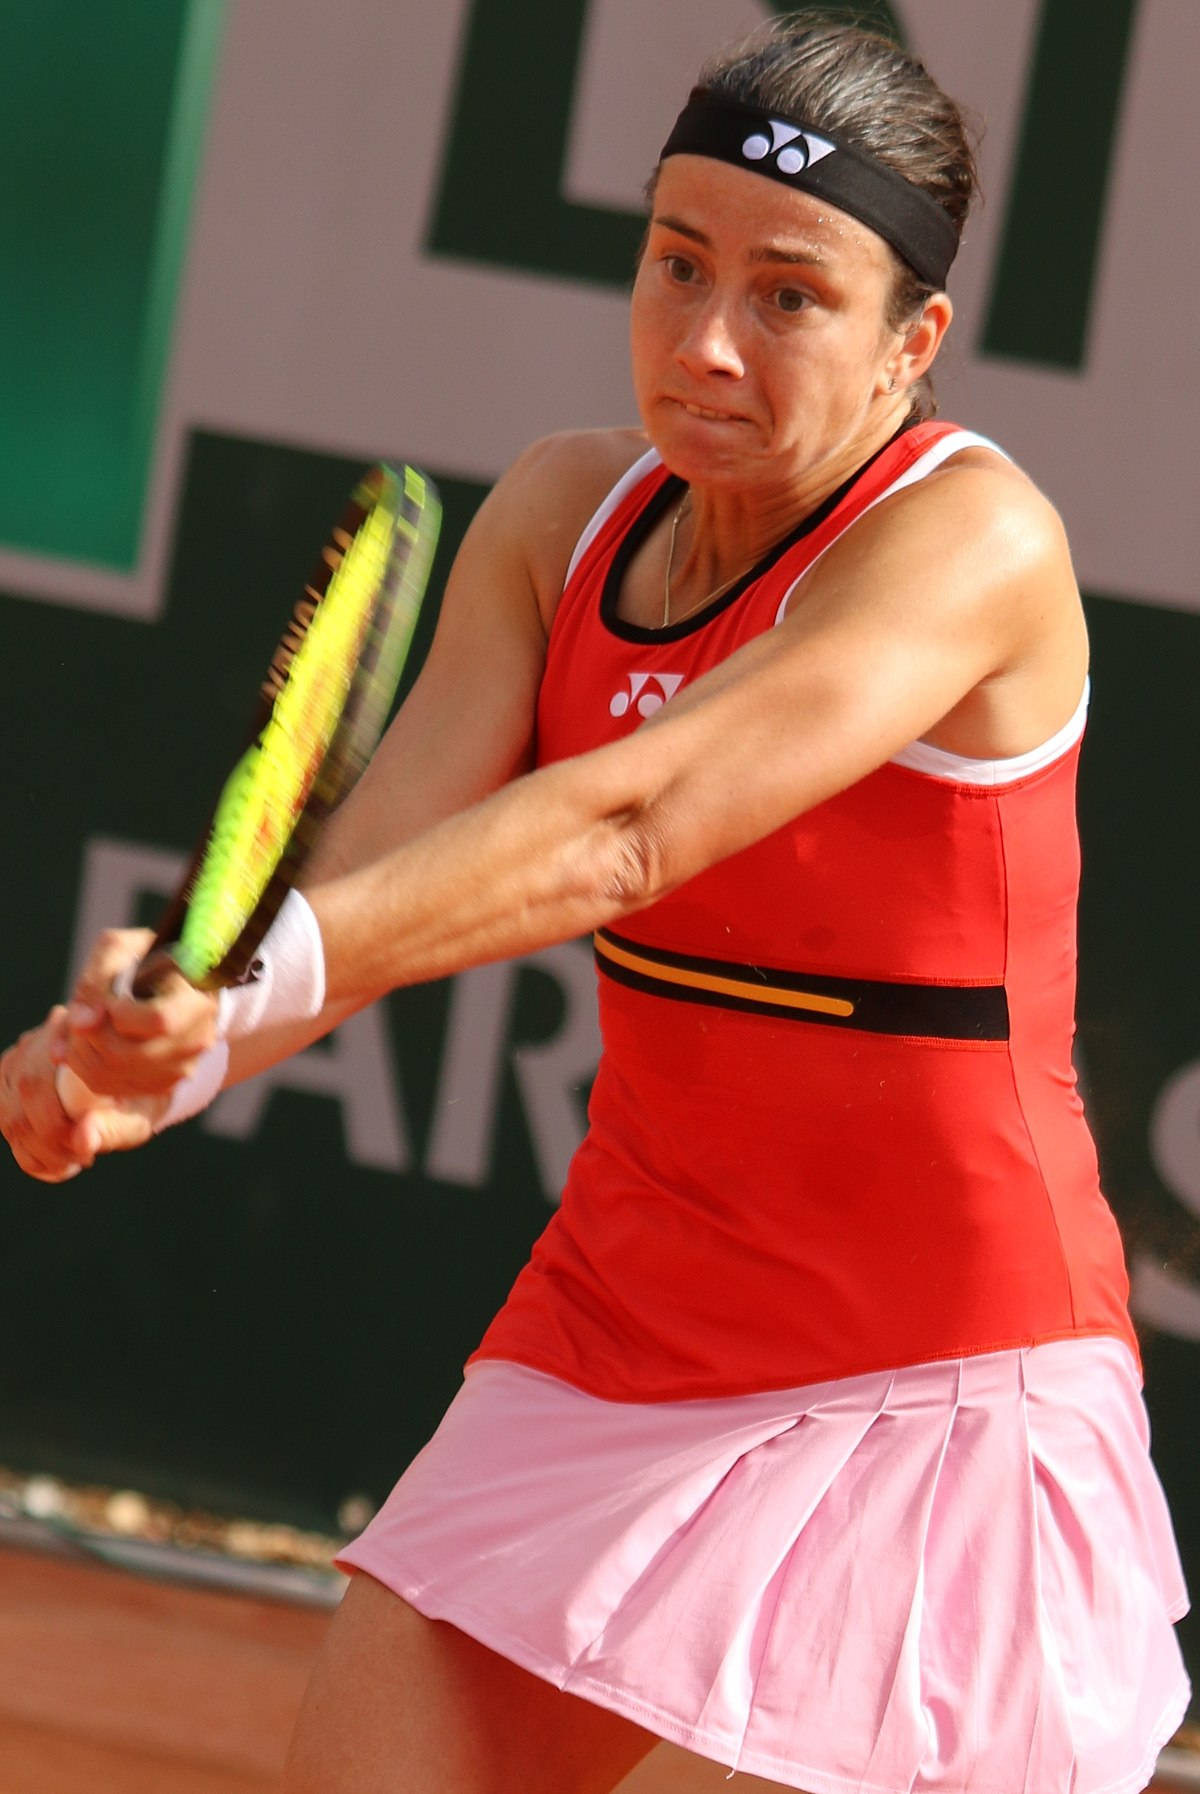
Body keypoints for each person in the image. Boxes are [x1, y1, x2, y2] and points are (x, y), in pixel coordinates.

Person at [1, 12, 1190, 1792]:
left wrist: (264, 971)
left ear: (911, 341)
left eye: (791, 295)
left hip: (932, 1388)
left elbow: (634, 826)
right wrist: (168, 1038)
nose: (706, 339)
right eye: (674, 263)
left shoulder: (972, 545)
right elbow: (367, 885)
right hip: (609, 1342)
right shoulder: (559, 517)